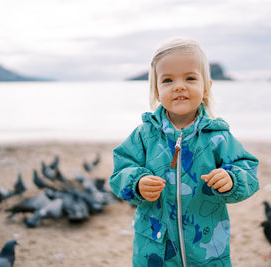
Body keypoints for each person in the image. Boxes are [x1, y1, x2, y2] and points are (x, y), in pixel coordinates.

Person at [109, 37, 259, 266]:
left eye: (190, 78)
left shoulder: (217, 136)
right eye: (168, 80)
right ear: (157, 91)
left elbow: (247, 169)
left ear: (207, 87)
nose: (179, 86)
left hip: (208, 249)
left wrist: (231, 178)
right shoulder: (144, 135)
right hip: (155, 247)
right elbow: (120, 171)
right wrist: (137, 182)